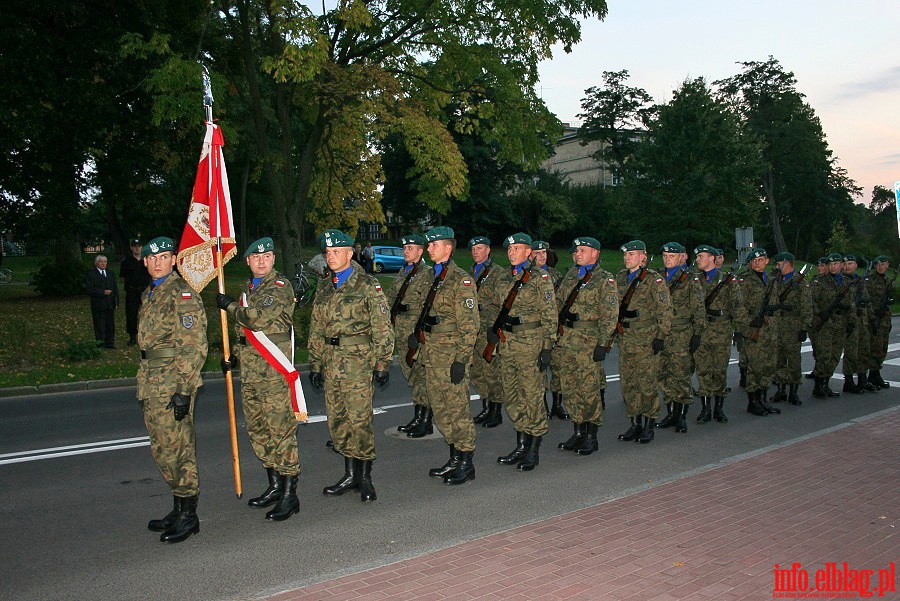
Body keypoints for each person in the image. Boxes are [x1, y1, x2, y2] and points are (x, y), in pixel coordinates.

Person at [216, 237, 302, 522]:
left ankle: (290, 494)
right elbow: (247, 336)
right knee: (259, 432)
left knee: (281, 433)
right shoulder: (247, 290)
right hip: (251, 376)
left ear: (273, 260)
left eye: (267, 256)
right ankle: (274, 485)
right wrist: (235, 357)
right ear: (248, 262)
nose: (262, 260)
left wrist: (228, 306)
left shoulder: (279, 287)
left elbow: (257, 320)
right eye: (256, 257)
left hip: (273, 376)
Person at [308, 229, 394, 502]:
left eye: (336, 252)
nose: (331, 257)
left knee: (359, 421)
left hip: (358, 362)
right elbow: (317, 328)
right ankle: (350, 474)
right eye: (328, 253)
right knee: (338, 421)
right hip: (331, 361)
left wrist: (382, 363)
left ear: (350, 253)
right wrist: (316, 363)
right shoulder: (324, 286)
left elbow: (382, 327)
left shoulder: (367, 285)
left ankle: (365, 477)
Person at [137, 236, 208, 543]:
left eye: (163, 257)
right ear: (144, 262)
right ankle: (178, 507)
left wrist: (184, 388)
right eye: (152, 258)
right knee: (163, 449)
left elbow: (193, 346)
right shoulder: (150, 293)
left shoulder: (182, 294)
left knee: (179, 448)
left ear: (174, 259)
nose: (157, 262)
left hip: (171, 382)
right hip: (152, 381)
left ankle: (189, 516)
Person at [482, 232, 557, 470]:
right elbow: (494, 305)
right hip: (507, 343)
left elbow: (550, 313)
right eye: (510, 249)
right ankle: (521, 444)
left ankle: (533, 448)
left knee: (532, 395)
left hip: (530, 343)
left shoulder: (539, 277)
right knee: (512, 395)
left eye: (517, 249)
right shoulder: (502, 276)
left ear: (529, 252)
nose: (512, 253)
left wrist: (547, 347)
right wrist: (491, 328)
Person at [412, 226, 479, 484]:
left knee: (457, 409)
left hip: (451, 356)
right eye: (428, 245)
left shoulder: (460, 280)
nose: (429, 248)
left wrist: (462, 360)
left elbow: (470, 325)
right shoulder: (431, 277)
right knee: (440, 409)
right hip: (432, 353)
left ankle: (466, 462)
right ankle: (453, 458)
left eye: (433, 245)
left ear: (447, 248)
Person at [553, 237, 617, 455]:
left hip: (589, 341)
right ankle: (578, 431)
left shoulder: (604, 280)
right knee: (570, 387)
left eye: (582, 250)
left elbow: (610, 315)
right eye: (576, 251)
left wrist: (603, 343)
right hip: (568, 340)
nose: (577, 254)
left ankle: (591, 436)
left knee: (588, 389)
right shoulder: (572, 275)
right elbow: (559, 302)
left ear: (595, 254)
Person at [614, 240, 672, 444]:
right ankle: (635, 422)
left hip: (646, 338)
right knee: (629, 384)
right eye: (626, 254)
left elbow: (665, 309)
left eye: (632, 254)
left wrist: (661, 336)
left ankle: (648, 424)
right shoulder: (620, 277)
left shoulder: (653, 280)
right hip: (626, 338)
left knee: (646, 383)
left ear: (643, 257)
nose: (627, 257)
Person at [388, 234, 434, 438]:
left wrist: (420, 331)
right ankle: (417, 416)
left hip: (415, 331)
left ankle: (426, 420)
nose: (406, 251)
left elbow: (429, 304)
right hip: (401, 330)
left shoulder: (427, 273)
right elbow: (390, 296)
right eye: (405, 248)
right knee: (411, 376)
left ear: (420, 251)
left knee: (421, 376)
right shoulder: (403, 271)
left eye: (410, 248)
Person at [655, 242, 704, 434]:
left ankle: (681, 415)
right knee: (663, 373)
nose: (667, 259)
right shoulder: (657, 277)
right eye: (665, 256)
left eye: (672, 256)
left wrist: (697, 333)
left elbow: (699, 307)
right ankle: (670, 412)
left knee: (681, 375)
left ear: (682, 257)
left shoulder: (690, 279)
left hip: (681, 333)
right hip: (661, 333)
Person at [693, 245, 741, 424]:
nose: (697, 259)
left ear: (712, 258)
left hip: (721, 331)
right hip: (700, 332)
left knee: (719, 370)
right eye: (697, 256)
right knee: (703, 371)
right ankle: (705, 409)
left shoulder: (728, 280)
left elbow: (737, 305)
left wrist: (741, 331)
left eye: (701, 256)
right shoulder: (694, 280)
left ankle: (718, 408)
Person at [737, 248, 782, 416]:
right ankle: (753, 401)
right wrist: (749, 322)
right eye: (754, 260)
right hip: (754, 329)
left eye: (761, 259)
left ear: (767, 261)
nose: (758, 262)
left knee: (768, 365)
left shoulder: (771, 280)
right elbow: (739, 306)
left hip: (770, 328)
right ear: (750, 263)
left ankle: (763, 399)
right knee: (755, 366)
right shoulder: (745, 280)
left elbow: (775, 303)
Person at [468, 236, 504, 428]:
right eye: (473, 248)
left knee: (492, 371)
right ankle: (485, 406)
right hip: (473, 328)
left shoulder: (497, 273)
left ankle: (496, 410)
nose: (475, 251)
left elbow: (501, 303)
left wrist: (494, 328)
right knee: (477, 371)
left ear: (488, 250)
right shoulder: (471, 272)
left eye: (479, 248)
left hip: (488, 328)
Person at [531, 240, 567, 420]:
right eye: (537, 253)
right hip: (536, 329)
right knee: (540, 368)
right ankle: (542, 403)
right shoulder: (526, 276)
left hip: (555, 327)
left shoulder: (556, 275)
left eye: (544, 253)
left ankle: (557, 404)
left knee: (558, 366)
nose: (541, 256)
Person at [771, 252, 812, 406]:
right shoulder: (776, 281)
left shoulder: (800, 283)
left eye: (778, 263)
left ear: (786, 263)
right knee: (778, 359)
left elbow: (807, 306)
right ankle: (781, 389)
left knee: (794, 360)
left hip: (793, 326)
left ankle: (793, 391)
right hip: (777, 325)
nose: (776, 266)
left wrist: (804, 327)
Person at [810, 253, 848, 399]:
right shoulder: (820, 282)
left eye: (836, 264)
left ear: (841, 265)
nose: (833, 266)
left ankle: (826, 383)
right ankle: (819, 386)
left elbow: (850, 302)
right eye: (830, 264)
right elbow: (811, 300)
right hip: (825, 324)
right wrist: (820, 313)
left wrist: (849, 318)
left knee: (835, 355)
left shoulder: (845, 282)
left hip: (840, 323)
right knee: (824, 355)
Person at [839, 254, 878, 393]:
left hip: (863, 321)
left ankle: (862, 378)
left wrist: (873, 319)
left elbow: (867, 301)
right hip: (850, 321)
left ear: (855, 266)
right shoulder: (841, 281)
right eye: (845, 264)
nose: (847, 266)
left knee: (864, 350)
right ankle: (848, 381)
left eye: (850, 263)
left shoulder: (859, 281)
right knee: (851, 352)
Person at [866, 255, 893, 389]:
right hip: (874, 318)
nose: (880, 267)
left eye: (883, 264)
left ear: (887, 265)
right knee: (874, 348)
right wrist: (873, 316)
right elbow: (867, 300)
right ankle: (872, 374)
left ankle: (876, 373)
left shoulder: (887, 280)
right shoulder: (870, 280)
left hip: (884, 319)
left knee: (882, 348)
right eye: (878, 265)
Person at [120, 239, 150, 346]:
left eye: (139, 246)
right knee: (131, 314)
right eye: (135, 246)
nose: (137, 248)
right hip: (132, 290)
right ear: (131, 248)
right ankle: (132, 336)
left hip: (145, 291)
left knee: (147, 313)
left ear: (142, 247)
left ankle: (147, 336)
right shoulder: (126, 262)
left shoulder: (147, 260)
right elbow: (123, 277)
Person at [86, 254, 119, 349]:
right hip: (98, 304)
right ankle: (100, 344)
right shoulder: (91, 274)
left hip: (110, 304)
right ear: (96, 263)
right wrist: (102, 292)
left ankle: (110, 343)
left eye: (105, 262)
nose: (104, 264)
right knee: (99, 325)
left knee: (110, 325)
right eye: (101, 262)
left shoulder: (110, 273)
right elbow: (89, 289)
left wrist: (116, 302)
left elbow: (115, 288)